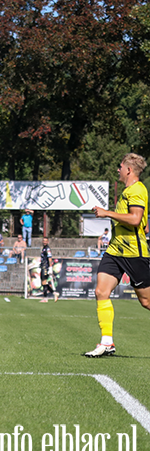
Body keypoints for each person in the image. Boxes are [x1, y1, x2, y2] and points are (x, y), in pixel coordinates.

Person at [85, 153, 150, 357]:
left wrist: (107, 213)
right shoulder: (128, 191)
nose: (118, 170)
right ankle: (107, 343)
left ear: (129, 170)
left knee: (147, 302)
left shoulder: (137, 189)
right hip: (114, 251)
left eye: (120, 166)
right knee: (101, 292)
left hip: (133, 253)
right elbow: (145, 224)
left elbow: (135, 219)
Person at [39, 237, 58, 303]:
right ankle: (54, 293)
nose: (44, 242)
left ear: (48, 242)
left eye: (45, 241)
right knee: (44, 283)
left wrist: (50, 267)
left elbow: (50, 258)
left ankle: (46, 298)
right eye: (43, 241)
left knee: (44, 282)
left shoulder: (47, 249)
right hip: (43, 267)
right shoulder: (43, 248)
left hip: (45, 267)